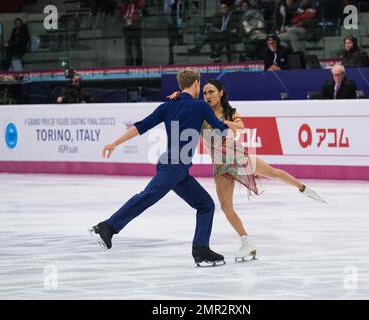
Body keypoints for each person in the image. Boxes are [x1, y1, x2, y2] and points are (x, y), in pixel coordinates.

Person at [168, 79, 326, 261]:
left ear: (220, 93)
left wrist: (223, 121)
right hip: (220, 163)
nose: (207, 96)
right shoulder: (200, 112)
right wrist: (178, 97)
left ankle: (303, 188)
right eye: (204, 93)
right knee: (226, 207)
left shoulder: (230, 111)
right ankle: (247, 243)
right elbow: (183, 109)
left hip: (237, 155)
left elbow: (241, 127)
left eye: (211, 92)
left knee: (273, 172)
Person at [89, 69, 229, 267]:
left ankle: (201, 249)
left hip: (175, 168)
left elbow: (141, 126)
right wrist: (234, 123)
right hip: (174, 166)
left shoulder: (168, 106)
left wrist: (116, 142)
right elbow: (221, 130)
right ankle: (109, 226)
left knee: (206, 205)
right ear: (197, 83)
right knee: (149, 195)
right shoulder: (201, 107)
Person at [121, 0, 144, 66]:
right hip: (126, 28)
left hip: (135, 27)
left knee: (137, 47)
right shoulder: (127, 4)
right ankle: (129, 66)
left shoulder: (138, 3)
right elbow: (123, 9)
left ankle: (138, 65)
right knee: (128, 48)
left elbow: (141, 5)